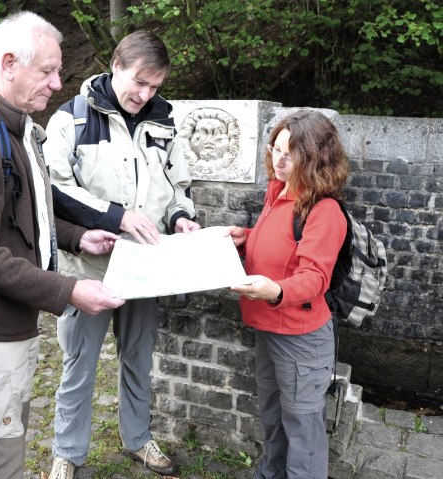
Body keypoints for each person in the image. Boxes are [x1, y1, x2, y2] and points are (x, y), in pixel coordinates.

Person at [0, 12, 124, 479]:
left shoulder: (21, 128)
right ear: (9, 64)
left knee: (10, 444)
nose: (59, 83)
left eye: (58, 71)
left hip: (13, 323)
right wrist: (69, 291)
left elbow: (24, 208)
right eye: (48, 71)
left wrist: (78, 236)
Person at [44, 31, 199, 478]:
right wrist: (118, 216)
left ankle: (138, 440)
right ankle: (67, 453)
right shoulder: (70, 119)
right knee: (79, 365)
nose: (146, 94)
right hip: (90, 269)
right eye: (139, 82)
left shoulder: (163, 122)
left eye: (156, 86)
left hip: (146, 270)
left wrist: (181, 218)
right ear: (115, 65)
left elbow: (178, 187)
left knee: (138, 357)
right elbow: (55, 188)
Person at [225, 110, 349, 478]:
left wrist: (275, 290)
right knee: (274, 415)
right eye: (274, 149)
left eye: (289, 154)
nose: (278, 161)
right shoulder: (280, 191)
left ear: (313, 159)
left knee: (303, 427)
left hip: (301, 338)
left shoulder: (324, 210)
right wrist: (246, 238)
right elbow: (281, 245)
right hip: (270, 327)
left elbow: (314, 278)